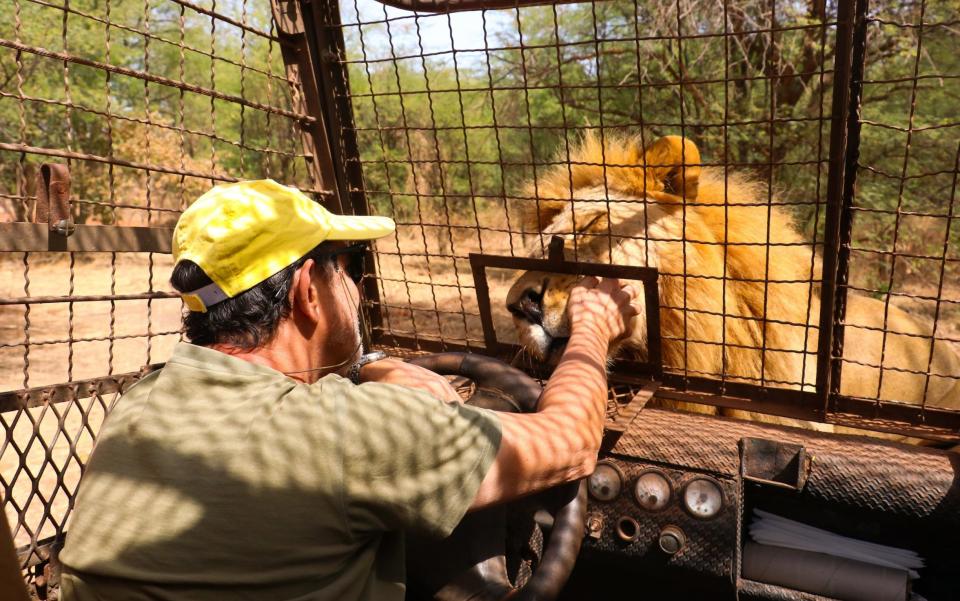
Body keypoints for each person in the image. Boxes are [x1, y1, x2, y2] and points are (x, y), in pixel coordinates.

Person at [58, 179, 637, 601]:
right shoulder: (348, 433)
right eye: (349, 267)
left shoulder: (141, 401)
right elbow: (570, 442)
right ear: (310, 290)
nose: (356, 288)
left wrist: (367, 367)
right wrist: (592, 329)